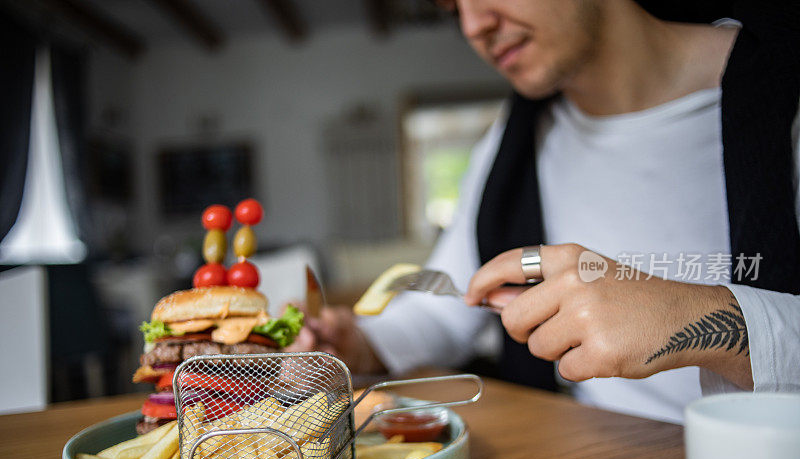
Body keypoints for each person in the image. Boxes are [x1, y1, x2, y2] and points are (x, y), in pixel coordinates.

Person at [291, 0, 800, 423]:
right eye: (453, 8)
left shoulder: (784, 89)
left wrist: (695, 316)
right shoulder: (514, 139)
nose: (474, 26)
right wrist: (359, 343)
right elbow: (453, 299)